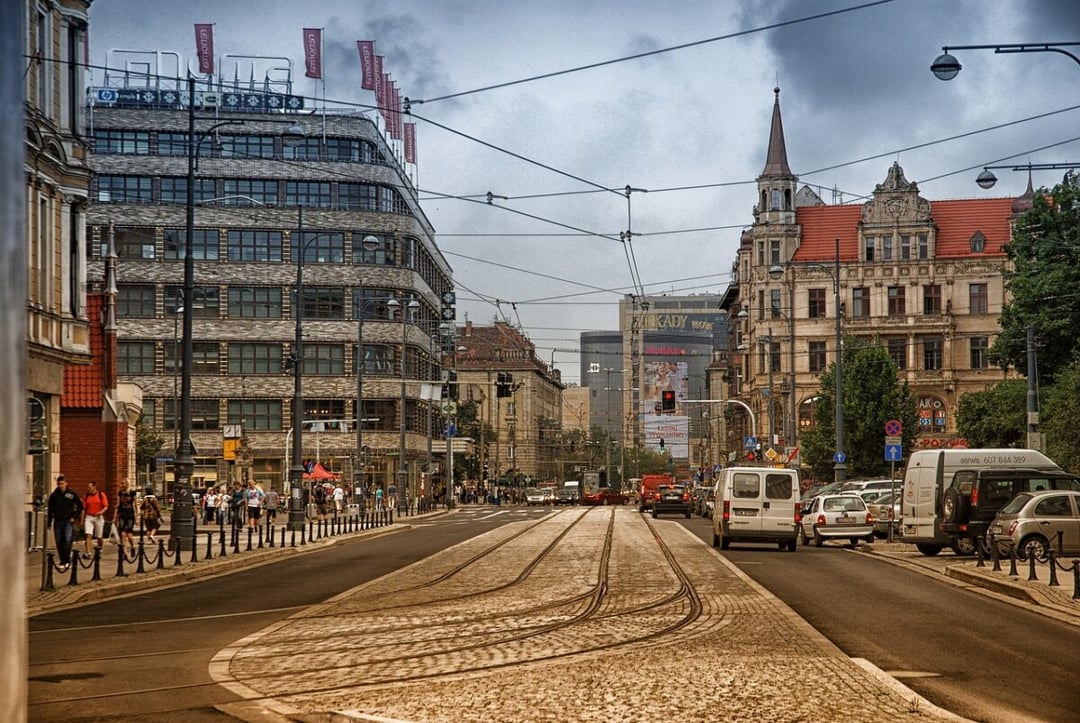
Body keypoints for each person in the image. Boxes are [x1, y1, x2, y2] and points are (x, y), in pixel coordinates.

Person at [46, 475, 82, 571]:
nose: (61, 485)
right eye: (59, 484)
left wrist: (74, 516)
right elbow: (50, 510)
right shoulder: (54, 496)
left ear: (66, 484)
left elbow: (80, 506)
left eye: (62, 483)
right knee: (59, 541)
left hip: (68, 520)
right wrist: (49, 522)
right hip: (58, 520)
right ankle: (62, 560)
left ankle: (67, 560)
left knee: (67, 539)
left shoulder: (72, 494)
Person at [82, 481, 110, 556]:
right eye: (88, 487)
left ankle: (100, 549)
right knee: (89, 534)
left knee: (99, 536)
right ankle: (89, 552)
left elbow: (106, 506)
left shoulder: (101, 495)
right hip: (89, 517)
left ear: (94, 487)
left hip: (98, 517)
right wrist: (82, 520)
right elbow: (84, 508)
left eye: (90, 487)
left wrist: (101, 512)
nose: (88, 489)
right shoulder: (86, 496)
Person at [113, 489, 137, 554]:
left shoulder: (132, 492)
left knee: (129, 535)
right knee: (123, 534)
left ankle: (132, 546)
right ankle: (125, 552)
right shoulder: (120, 492)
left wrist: (136, 516)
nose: (122, 484)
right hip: (122, 515)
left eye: (124, 483)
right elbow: (118, 505)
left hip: (130, 515)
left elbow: (135, 505)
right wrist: (115, 517)